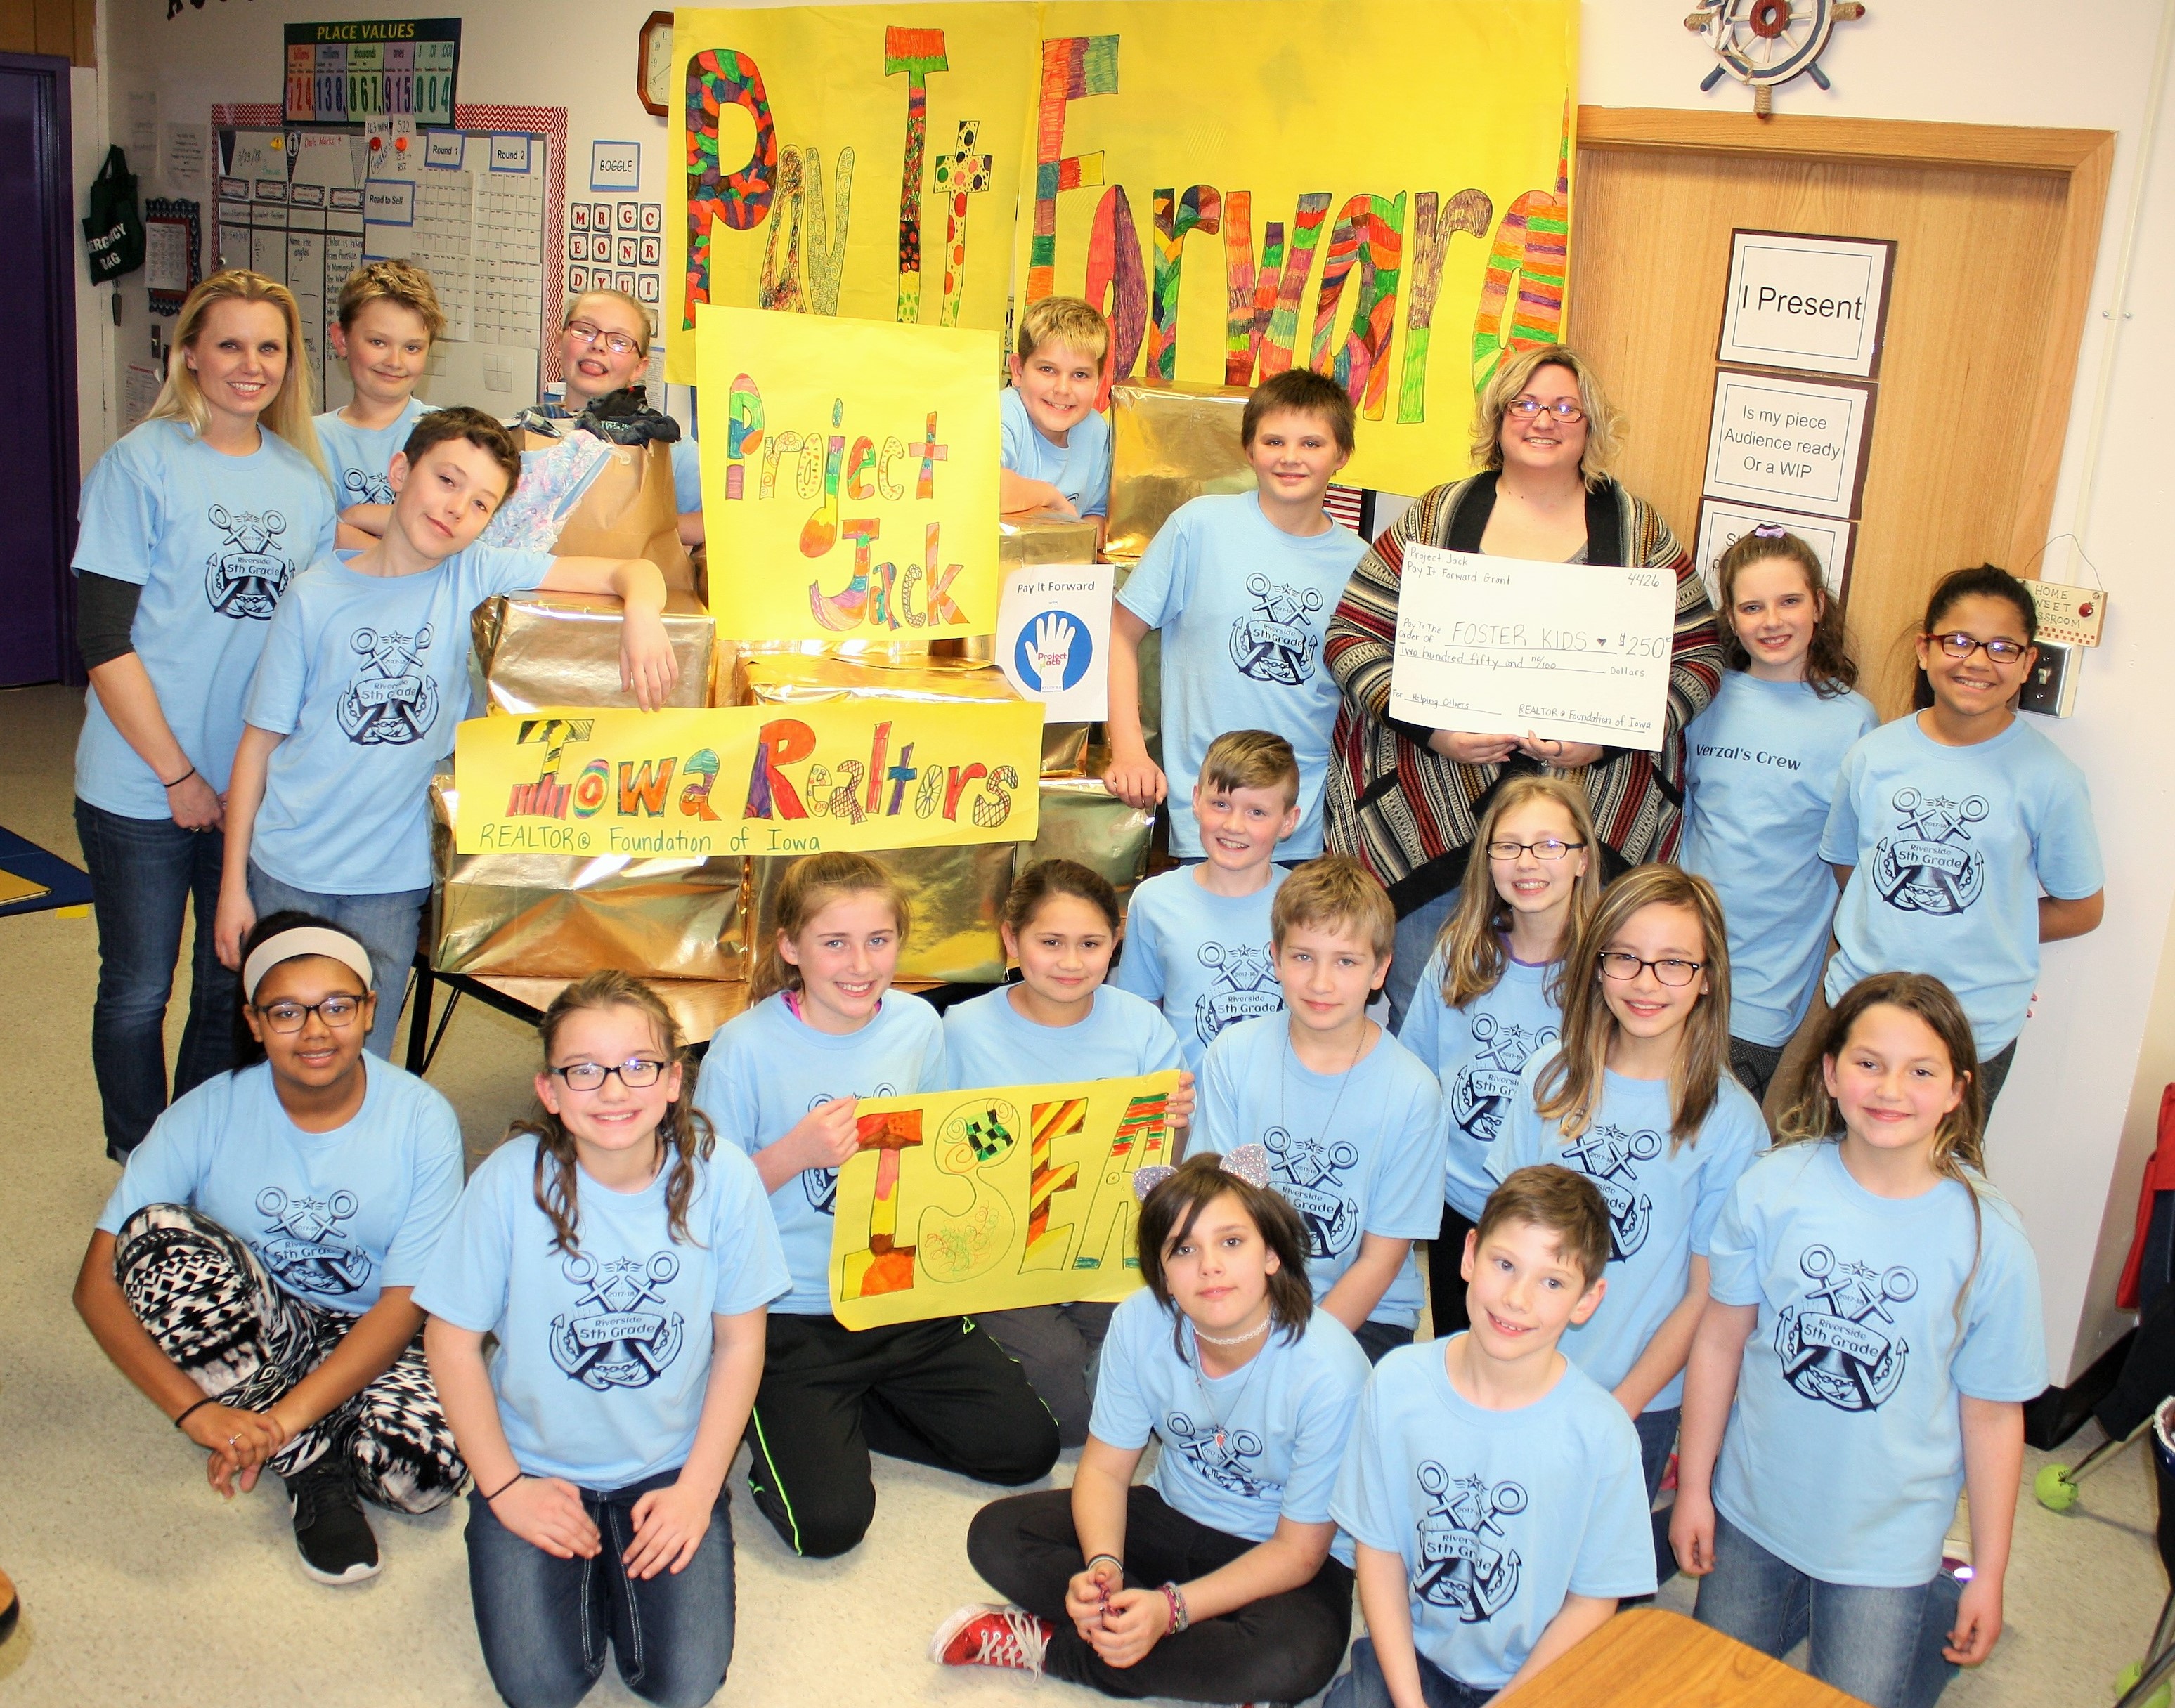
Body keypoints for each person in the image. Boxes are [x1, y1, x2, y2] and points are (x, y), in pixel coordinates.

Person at [213, 407, 678, 1060]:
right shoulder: (313, 596)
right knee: (282, 1050)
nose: (457, 509)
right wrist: (234, 885)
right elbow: (257, 747)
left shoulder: (475, 571)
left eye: (482, 503)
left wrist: (643, 616)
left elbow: (633, 570)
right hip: (290, 868)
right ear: (401, 471)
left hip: (391, 878)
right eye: (447, 481)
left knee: (363, 1051)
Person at [1670, 972, 2046, 1708]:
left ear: (1956, 1090)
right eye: (1868, 1063)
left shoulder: (1988, 1239)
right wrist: (1692, 1487)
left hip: (1886, 1545)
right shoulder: (1771, 1187)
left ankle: (1936, 1597)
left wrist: (1992, 1573)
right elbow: (1718, 1341)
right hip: (1751, 1512)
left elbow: (1993, 1414)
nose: (1889, 1088)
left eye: (1920, 1071)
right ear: (1828, 1073)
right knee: (1715, 1690)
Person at [1323, 342, 1725, 1027]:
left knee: (1561, 1024)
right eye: (1527, 403)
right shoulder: (1437, 518)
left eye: (1565, 406)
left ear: (1590, 424)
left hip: (1583, 827)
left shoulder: (1636, 531)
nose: (1545, 420)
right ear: (1499, 416)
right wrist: (1432, 729)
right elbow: (1349, 636)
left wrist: (1602, 741)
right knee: (1426, 1008)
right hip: (1434, 814)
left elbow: (1699, 657)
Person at [419, 972, 786, 1708]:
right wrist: (504, 1489)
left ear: (675, 1080)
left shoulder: (725, 1177)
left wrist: (696, 1489)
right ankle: (548, 1543)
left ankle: (628, 1545)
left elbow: (741, 1344)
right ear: (549, 1090)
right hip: (534, 1462)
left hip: (667, 1464)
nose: (613, 1090)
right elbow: (449, 1343)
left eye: (638, 1065)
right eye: (583, 1069)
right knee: (543, 1688)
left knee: (681, 1685)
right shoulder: (506, 1183)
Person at [72, 914, 465, 1585]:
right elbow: (95, 1285)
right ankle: (313, 1465)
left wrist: (277, 1417)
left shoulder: (423, 1118)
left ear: (371, 1010)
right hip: (263, 1318)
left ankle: (288, 1424)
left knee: (417, 1477)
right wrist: (193, 1412)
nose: (315, 1030)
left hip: (376, 1328)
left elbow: (405, 1305)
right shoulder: (208, 1108)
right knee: (153, 1235)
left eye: (337, 1006)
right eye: (286, 1011)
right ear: (254, 1022)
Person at [693, 852, 1060, 1558]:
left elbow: (938, 1147)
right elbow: (700, 1207)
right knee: (825, 1527)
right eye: (834, 943)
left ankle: (846, 1411)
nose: (860, 963)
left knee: (1026, 1450)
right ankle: (782, 1408)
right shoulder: (741, 1049)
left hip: (894, 1293)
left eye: (878, 940)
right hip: (791, 1312)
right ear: (791, 948)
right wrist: (789, 1155)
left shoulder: (918, 1025)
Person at [937, 1149, 1370, 1705]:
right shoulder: (1140, 1320)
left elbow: (1299, 1553)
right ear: (1161, 1270)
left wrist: (1171, 1609)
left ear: (1272, 1253)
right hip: (1173, 1514)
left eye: (1231, 1241)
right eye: (1183, 1249)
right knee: (996, 1536)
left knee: (1294, 1658)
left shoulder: (1331, 1370)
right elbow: (1105, 1469)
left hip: (1278, 1551)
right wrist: (1102, 1570)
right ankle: (1188, 1656)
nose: (1209, 1265)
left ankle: (1056, 1650)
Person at [72, 270, 339, 1161]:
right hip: (143, 782)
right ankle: (137, 1160)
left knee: (230, 987)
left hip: (252, 786)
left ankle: (190, 1152)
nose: (249, 365)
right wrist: (180, 777)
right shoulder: (140, 464)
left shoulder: (303, 480)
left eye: (269, 347)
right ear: (188, 352)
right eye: (229, 344)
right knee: (141, 985)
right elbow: (105, 642)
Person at [1485, 864, 1765, 1582]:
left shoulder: (1728, 1121)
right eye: (1625, 957)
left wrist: (1621, 1406)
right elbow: (1501, 1245)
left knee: (1588, 1585)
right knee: (1500, 1556)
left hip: (1633, 1398)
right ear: (1597, 964)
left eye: (1674, 963)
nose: (1646, 982)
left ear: (1706, 977)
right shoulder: (1549, 1076)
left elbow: (1704, 1298)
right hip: (1518, 1373)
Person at [1327, 1164, 1656, 1707]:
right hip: (1414, 1658)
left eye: (1552, 1281)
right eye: (1504, 1264)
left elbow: (1594, 1600)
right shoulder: (1396, 1383)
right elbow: (1378, 1553)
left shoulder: (1601, 1432)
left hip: (1538, 1676)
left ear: (1587, 1300)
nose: (1516, 1298)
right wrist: (1411, 1702)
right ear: (1469, 1254)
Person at [1814, 565, 2103, 1113]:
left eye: (2000, 647)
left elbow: (2082, 908)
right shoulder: (1873, 755)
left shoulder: (2050, 777)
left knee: (1940, 1185)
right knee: (1842, 1173)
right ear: (1925, 650)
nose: (1976, 661)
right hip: (1863, 1011)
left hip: (1975, 1026)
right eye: (1959, 640)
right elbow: (1851, 869)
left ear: (2026, 664)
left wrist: (1990, 922)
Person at [942, 859, 1195, 1447]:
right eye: (1050, 942)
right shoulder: (962, 1029)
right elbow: (942, 1153)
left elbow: (1166, 1168)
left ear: (1115, 943)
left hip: (1109, 1248)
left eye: (1091, 943)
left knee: (1143, 1358)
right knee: (1075, 1408)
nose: (1071, 962)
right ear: (1011, 938)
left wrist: (1176, 1125)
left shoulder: (1140, 1026)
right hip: (1000, 1253)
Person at [1104, 367, 1365, 863]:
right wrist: (1129, 749)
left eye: (1311, 443)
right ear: (1249, 450)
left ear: (1341, 455)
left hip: (1303, 820)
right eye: (1273, 441)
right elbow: (1120, 632)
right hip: (1210, 807)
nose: (1290, 457)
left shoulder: (1360, 562)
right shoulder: (1199, 526)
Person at [1197, 856, 1446, 1364]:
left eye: (1346, 961)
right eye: (1303, 957)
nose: (1320, 982)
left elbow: (1380, 1259)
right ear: (1275, 958)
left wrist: (1293, 1354)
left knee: (1316, 1419)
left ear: (1380, 969)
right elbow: (1215, 1208)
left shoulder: (1413, 1090)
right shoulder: (1232, 1053)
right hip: (1243, 1287)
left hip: (1366, 1313)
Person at [1398, 774, 1601, 1337]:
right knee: (1462, 1353)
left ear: (1582, 859)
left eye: (1550, 844)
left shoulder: (1605, 972)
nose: (1527, 861)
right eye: (1508, 845)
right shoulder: (1459, 952)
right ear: (1487, 859)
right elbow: (1413, 1072)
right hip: (1458, 1202)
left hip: (1555, 1221)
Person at [1681, 526, 1875, 1106]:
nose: (1772, 620)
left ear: (1818, 604)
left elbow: (1857, 870)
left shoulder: (1854, 721)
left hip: (1763, 991)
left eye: (1789, 600)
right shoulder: (1704, 697)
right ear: (1731, 619)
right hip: (1671, 964)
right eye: (1751, 605)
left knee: (1713, 1147)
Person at [1112, 729, 1298, 1073]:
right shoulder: (1154, 902)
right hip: (1188, 1116)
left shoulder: (1308, 903)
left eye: (1257, 812)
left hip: (1283, 1113)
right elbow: (1138, 1018)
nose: (1234, 825)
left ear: (1288, 821)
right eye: (1221, 804)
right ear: (1196, 800)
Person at [316, 261, 443, 523]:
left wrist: (353, 517)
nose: (394, 362)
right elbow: (317, 537)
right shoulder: (311, 440)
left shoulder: (448, 434)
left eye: (412, 348)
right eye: (378, 342)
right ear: (341, 340)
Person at [1000, 295, 1112, 526]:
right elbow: (985, 488)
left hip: (1059, 560)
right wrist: (1052, 499)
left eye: (1080, 375)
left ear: (1098, 383)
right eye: (1048, 369)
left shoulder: (1096, 430)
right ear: (1018, 371)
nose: (1062, 389)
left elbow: (1098, 514)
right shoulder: (1005, 412)